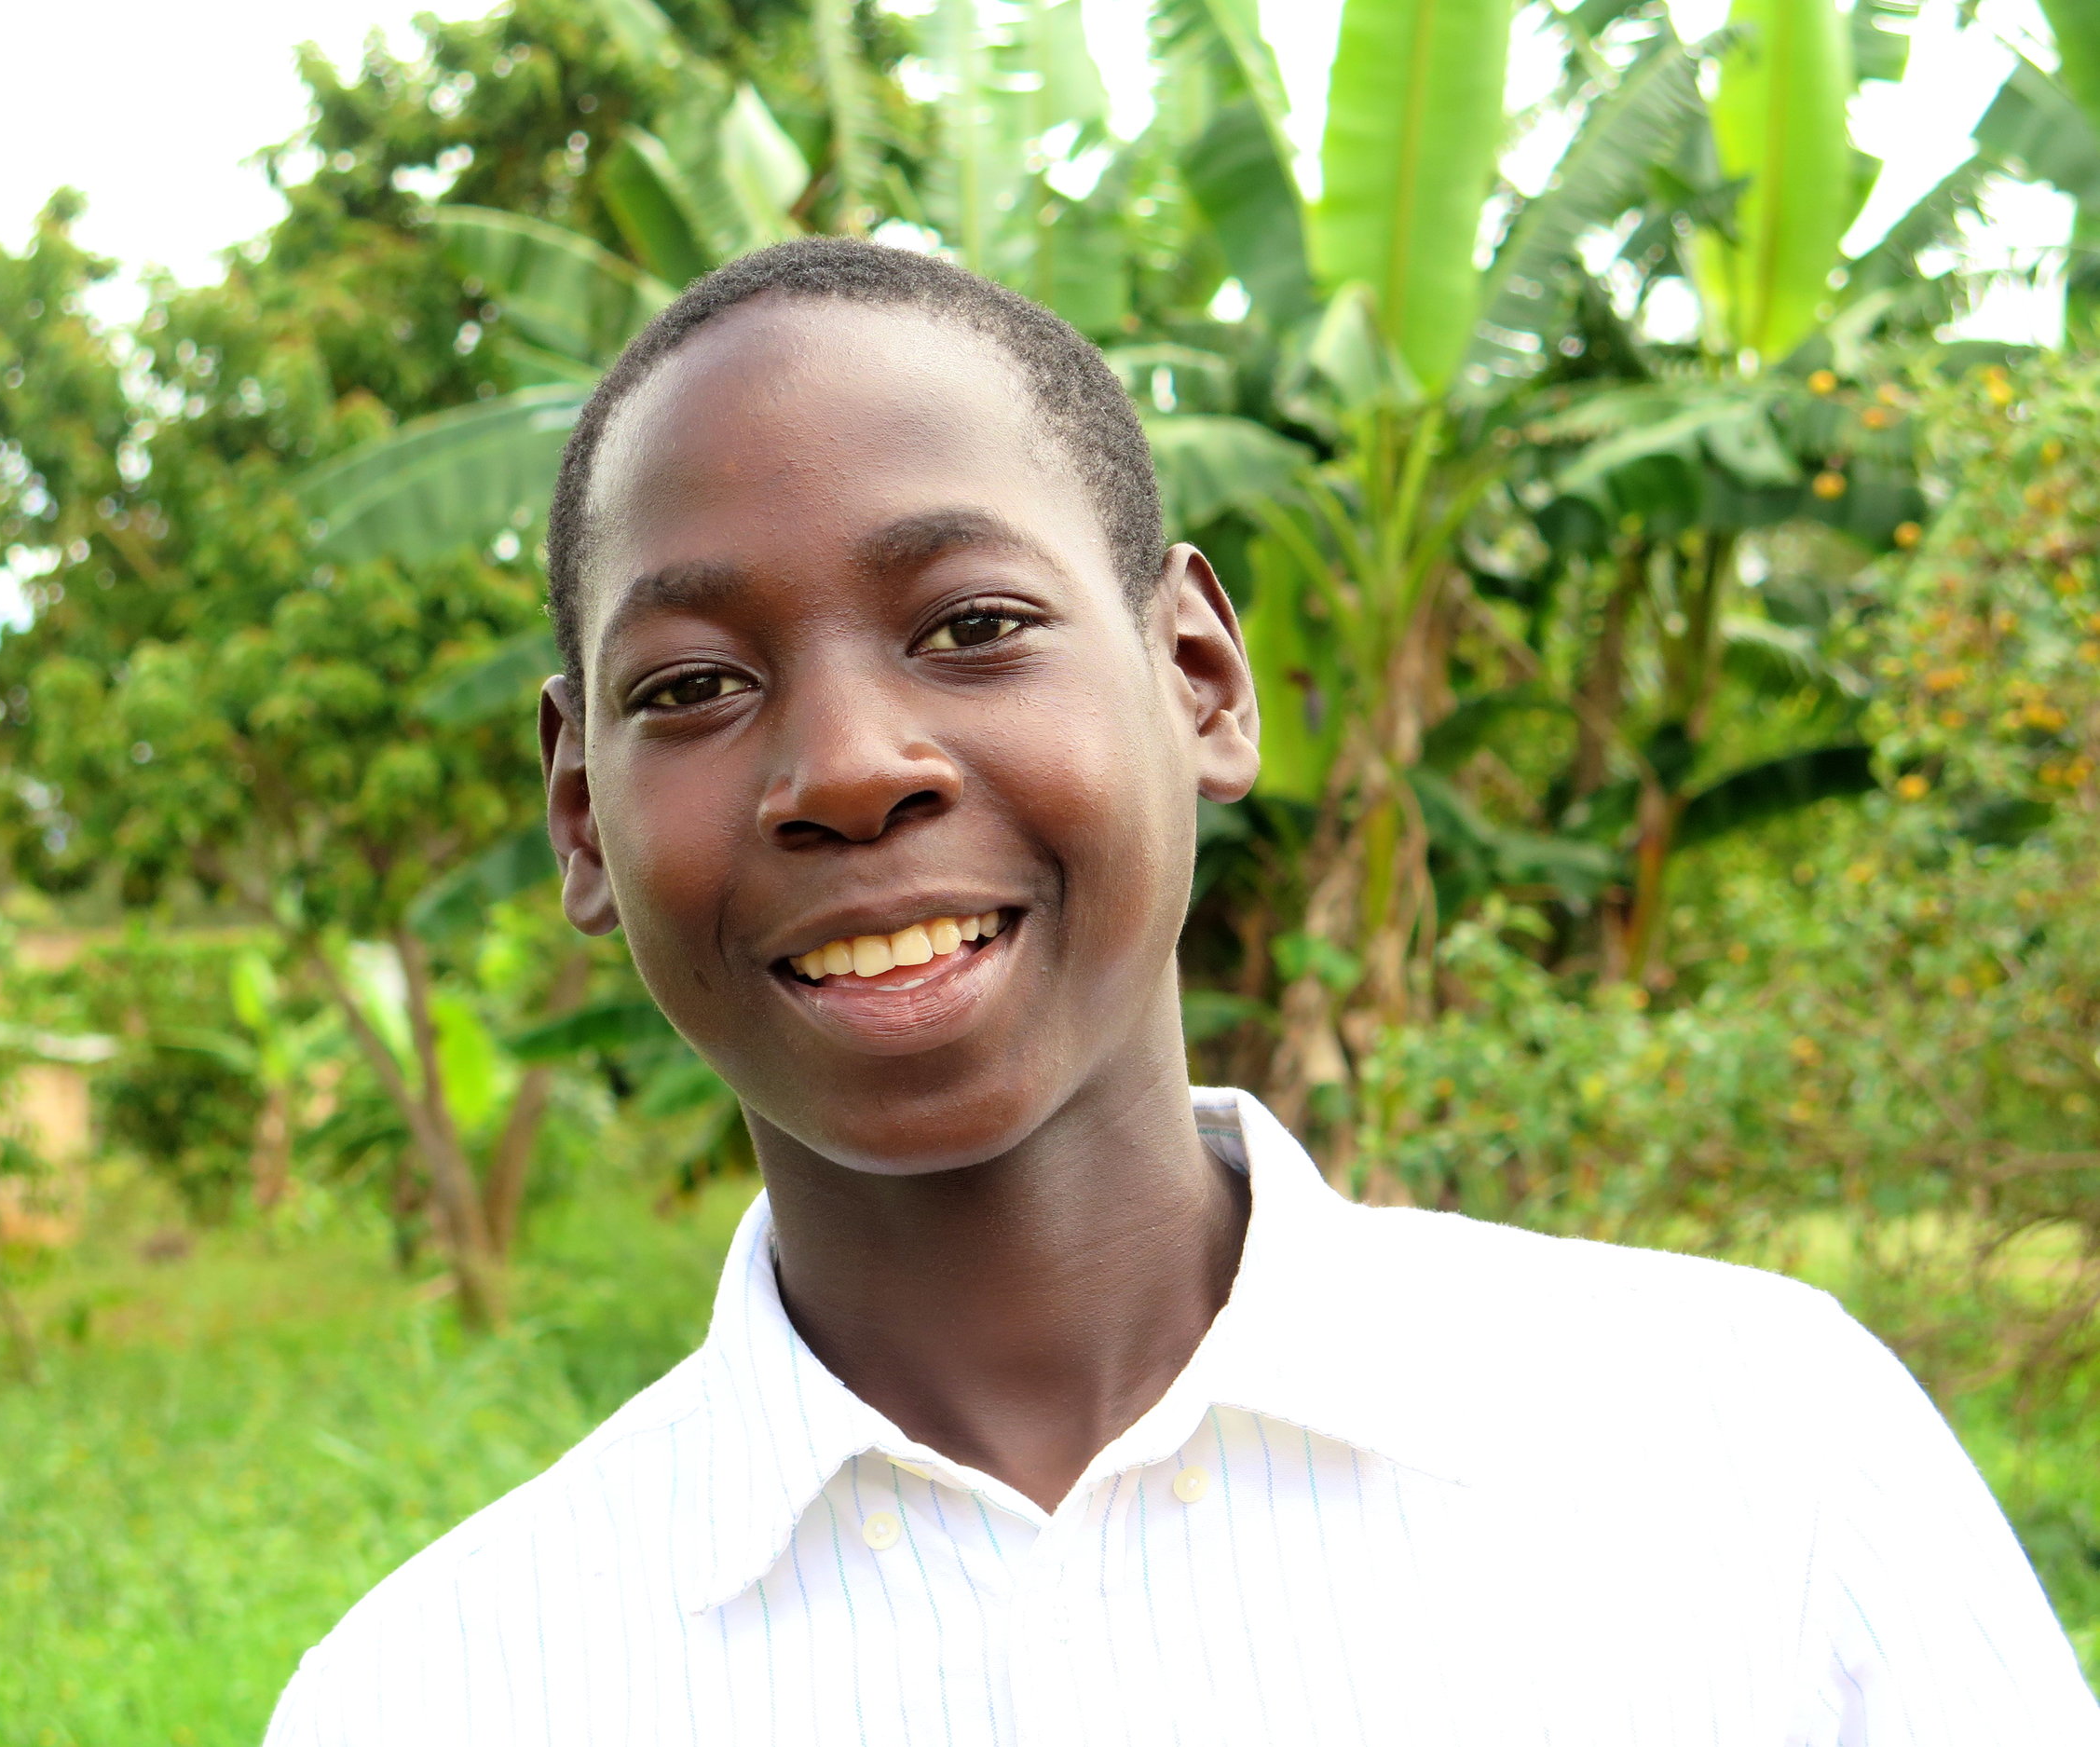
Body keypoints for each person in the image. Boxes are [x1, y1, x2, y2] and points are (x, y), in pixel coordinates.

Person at [264, 239, 2098, 1745]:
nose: (842, 764)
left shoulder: (1745, 1459)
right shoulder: (436, 1689)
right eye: (692, 686)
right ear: (580, 817)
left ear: (1202, 678)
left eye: (971, 626)